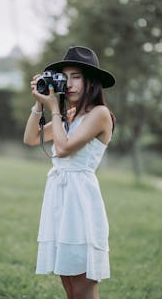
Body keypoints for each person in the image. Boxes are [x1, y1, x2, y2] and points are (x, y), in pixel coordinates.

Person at [23, 46, 115, 299]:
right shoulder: (69, 117)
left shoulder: (100, 114)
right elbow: (31, 138)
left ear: (90, 81)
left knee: (84, 286)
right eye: (66, 77)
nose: (70, 83)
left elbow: (62, 149)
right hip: (59, 201)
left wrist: (54, 108)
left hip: (81, 202)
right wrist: (39, 102)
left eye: (76, 76)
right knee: (70, 288)